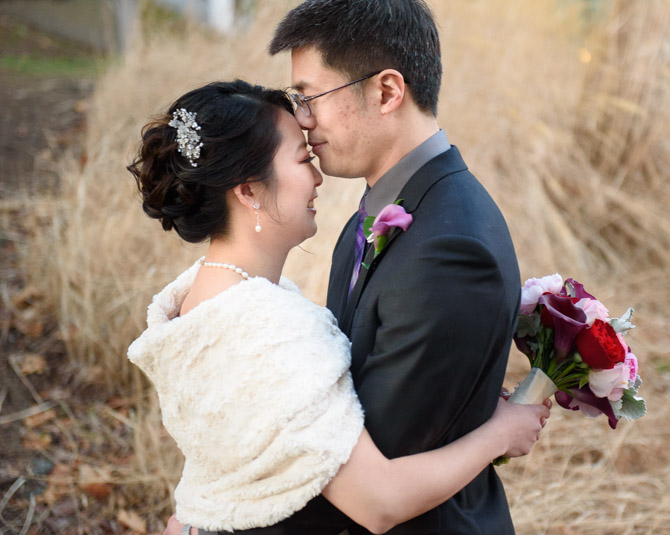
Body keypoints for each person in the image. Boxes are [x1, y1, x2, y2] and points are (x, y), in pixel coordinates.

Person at [128, 80, 549, 535]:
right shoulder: (264, 326)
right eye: (302, 159)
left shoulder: (202, 299)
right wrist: (498, 434)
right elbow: (379, 503)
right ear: (247, 191)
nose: (317, 177)